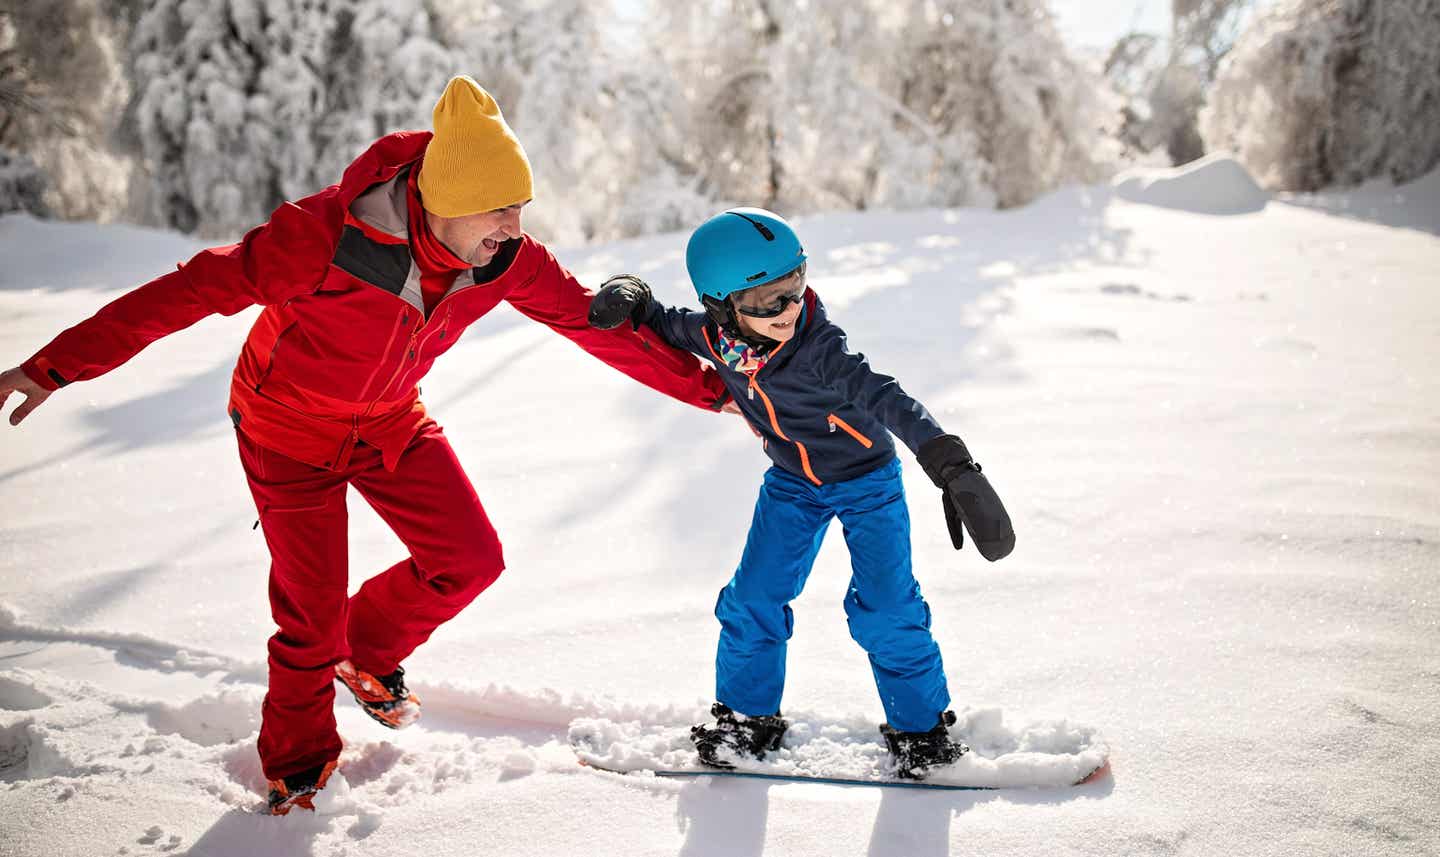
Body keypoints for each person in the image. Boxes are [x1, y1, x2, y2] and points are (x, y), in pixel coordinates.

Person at [0, 76, 731, 814]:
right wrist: (54, 366)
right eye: (500, 208)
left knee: (470, 558)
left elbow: (592, 323)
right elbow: (184, 292)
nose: (515, 226)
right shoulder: (322, 238)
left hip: (388, 421)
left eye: (520, 208)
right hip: (286, 432)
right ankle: (298, 769)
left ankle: (365, 650)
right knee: (307, 614)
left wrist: (716, 392)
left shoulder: (506, 259)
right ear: (446, 198)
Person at [587, 207, 1015, 779]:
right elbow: (666, 323)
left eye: (795, 286)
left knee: (886, 609)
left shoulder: (819, 347)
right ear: (723, 306)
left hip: (868, 484)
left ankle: (922, 732)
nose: (788, 310)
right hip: (792, 484)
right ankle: (748, 719)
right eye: (766, 301)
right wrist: (633, 295)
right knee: (752, 600)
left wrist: (949, 460)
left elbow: (886, 396)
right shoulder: (717, 335)